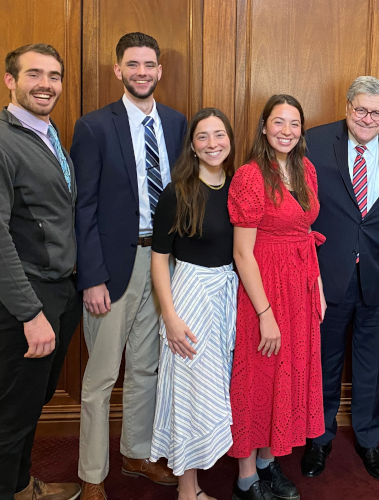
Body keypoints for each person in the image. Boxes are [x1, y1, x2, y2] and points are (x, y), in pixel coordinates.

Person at [0, 43, 82, 500]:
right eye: (34, 74)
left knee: (32, 404)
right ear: (10, 80)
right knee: (13, 413)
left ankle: (19, 487)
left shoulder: (47, 137)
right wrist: (31, 315)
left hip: (58, 294)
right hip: (24, 302)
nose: (45, 84)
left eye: (53, 76)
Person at [71, 32, 187, 499]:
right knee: (101, 378)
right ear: (118, 70)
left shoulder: (177, 124)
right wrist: (91, 276)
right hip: (112, 268)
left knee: (147, 367)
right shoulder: (94, 126)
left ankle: (136, 452)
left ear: (160, 70)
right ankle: (92, 476)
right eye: (132, 65)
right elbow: (83, 208)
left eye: (149, 65)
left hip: (164, 262)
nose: (142, 72)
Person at [302, 76, 379, 481]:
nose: (368, 118)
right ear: (347, 106)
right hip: (327, 276)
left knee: (371, 366)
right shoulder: (315, 141)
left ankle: (369, 440)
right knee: (326, 362)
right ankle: (318, 438)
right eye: (361, 110)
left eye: (376, 112)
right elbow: (303, 208)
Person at [228, 94, 325, 500]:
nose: (287, 131)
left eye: (294, 124)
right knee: (258, 376)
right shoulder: (251, 176)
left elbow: (305, 232)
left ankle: (269, 464)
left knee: (286, 375)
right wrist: (265, 313)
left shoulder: (306, 169)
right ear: (264, 127)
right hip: (264, 288)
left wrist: (317, 288)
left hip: (300, 286)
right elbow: (241, 252)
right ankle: (246, 478)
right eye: (279, 122)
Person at [148, 108, 237, 500]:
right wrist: (169, 316)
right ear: (193, 146)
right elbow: (158, 259)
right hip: (189, 296)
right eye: (203, 137)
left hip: (226, 295)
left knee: (213, 389)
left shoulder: (238, 186)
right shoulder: (177, 191)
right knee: (187, 390)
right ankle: (188, 490)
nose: (213, 143)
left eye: (219, 135)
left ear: (230, 141)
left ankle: (198, 481)